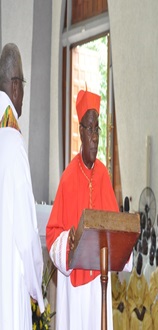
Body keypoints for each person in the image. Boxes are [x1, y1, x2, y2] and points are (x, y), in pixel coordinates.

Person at [46, 89, 133, 330]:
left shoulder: (104, 174)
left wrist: (127, 237)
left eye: (98, 129)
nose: (95, 137)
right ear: (81, 132)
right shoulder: (68, 178)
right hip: (74, 290)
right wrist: (68, 241)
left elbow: (114, 227)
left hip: (98, 285)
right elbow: (53, 236)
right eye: (90, 129)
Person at [0, 43, 44, 329]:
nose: (24, 96)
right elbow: (27, 235)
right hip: (9, 283)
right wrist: (35, 286)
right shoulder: (12, 142)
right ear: (15, 87)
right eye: (24, 85)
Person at [127, 253, 152, 330]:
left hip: (142, 309)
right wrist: (136, 311)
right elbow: (129, 297)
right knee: (134, 319)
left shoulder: (144, 280)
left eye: (141, 262)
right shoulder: (132, 278)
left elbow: (147, 297)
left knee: (148, 320)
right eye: (138, 261)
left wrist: (143, 311)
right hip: (135, 310)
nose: (139, 263)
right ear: (135, 262)